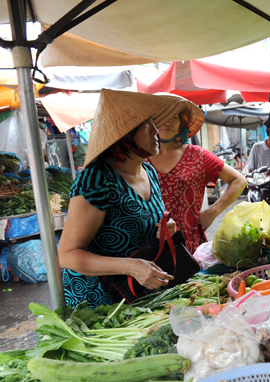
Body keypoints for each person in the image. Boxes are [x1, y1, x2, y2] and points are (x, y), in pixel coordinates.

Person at [58, 90, 182, 308]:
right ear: (124, 133)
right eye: (147, 124)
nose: (156, 130)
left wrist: (164, 229)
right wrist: (131, 266)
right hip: (99, 301)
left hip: (139, 292)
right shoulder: (97, 179)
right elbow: (68, 256)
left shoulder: (148, 171)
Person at [148, 94, 247, 255]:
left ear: (182, 123)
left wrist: (212, 212)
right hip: (147, 243)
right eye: (162, 116)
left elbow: (239, 180)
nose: (167, 122)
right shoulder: (140, 157)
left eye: (174, 117)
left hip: (188, 244)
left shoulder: (197, 155)